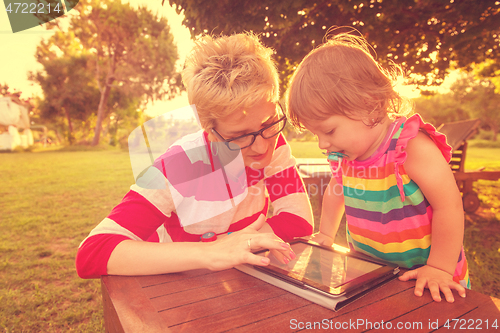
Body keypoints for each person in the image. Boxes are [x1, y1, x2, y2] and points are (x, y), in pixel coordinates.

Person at [76, 32, 313, 279]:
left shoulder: (273, 140)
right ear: (209, 132)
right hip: (174, 284)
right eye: (239, 136)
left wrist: (243, 241)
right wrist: (211, 252)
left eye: (269, 122)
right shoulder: (179, 165)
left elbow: (300, 221)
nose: (263, 147)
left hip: (235, 280)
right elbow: (92, 254)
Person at [285, 31, 469, 303]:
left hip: (430, 275)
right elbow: (337, 191)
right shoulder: (345, 157)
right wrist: (325, 233)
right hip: (373, 270)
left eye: (329, 130)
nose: (323, 144)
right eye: (316, 135)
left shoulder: (410, 146)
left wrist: (440, 267)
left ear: (369, 105)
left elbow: (449, 206)